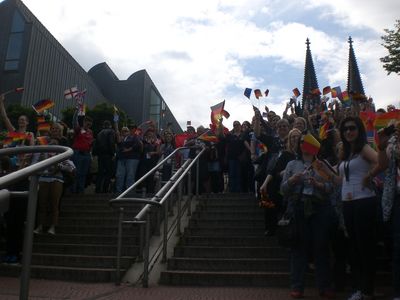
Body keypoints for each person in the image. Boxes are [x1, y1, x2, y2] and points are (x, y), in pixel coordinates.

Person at [320, 116, 379, 300]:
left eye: (352, 128)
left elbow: (379, 161)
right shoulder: (345, 153)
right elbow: (339, 181)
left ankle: (368, 290)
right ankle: (360, 288)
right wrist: (325, 170)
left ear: (359, 130)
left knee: (364, 246)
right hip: (348, 202)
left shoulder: (363, 148)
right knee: (353, 247)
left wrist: (369, 176)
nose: (348, 132)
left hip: (363, 200)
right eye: (345, 129)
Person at [281, 133, 335, 299]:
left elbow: (331, 188)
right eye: (302, 142)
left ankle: (324, 287)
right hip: (298, 207)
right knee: (298, 249)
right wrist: (292, 181)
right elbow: (283, 190)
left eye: (307, 142)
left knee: (321, 247)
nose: (304, 144)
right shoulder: (292, 164)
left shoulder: (322, 164)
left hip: (319, 207)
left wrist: (317, 184)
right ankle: (297, 286)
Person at [260, 128, 301, 236]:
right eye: (292, 137)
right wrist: (264, 183)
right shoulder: (285, 154)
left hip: (298, 186)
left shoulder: (304, 154)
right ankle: (270, 228)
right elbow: (274, 171)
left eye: (297, 136)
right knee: (270, 194)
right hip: (281, 182)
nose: (295, 138)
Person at [115, 126, 142, 194]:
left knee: (130, 175)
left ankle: (129, 192)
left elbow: (138, 144)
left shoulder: (134, 137)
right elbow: (118, 143)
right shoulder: (121, 138)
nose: (124, 132)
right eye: (123, 131)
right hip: (122, 158)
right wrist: (116, 123)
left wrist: (129, 149)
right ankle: (119, 192)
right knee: (119, 175)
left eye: (126, 131)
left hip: (132, 158)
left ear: (129, 132)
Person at [71, 113, 93, 194]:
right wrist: (76, 113)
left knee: (83, 174)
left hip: (86, 154)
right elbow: (74, 123)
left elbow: (90, 144)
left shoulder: (90, 132)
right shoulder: (79, 129)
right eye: (87, 122)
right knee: (76, 173)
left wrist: (90, 155)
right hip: (78, 153)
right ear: (83, 122)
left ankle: (80, 192)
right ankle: (73, 191)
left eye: (90, 122)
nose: (88, 124)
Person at [94, 120, 116, 193]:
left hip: (100, 155)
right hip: (108, 154)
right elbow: (111, 142)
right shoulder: (111, 131)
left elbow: (95, 145)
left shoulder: (99, 133)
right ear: (110, 125)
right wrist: (113, 153)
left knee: (100, 172)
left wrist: (95, 154)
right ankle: (105, 189)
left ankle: (97, 188)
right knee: (108, 172)